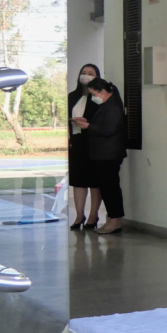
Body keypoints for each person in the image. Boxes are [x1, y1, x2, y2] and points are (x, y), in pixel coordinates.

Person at [73, 78, 127, 235]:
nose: (93, 97)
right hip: (102, 154)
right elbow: (102, 125)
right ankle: (111, 219)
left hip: (109, 155)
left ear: (102, 92)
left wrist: (88, 126)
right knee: (106, 188)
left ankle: (115, 220)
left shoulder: (113, 106)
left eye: (94, 94)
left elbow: (108, 130)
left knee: (111, 188)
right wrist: (87, 122)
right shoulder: (105, 105)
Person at [68, 63, 103, 231]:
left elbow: (102, 120)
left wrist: (87, 123)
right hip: (77, 141)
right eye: (84, 72)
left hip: (94, 141)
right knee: (78, 180)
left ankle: (93, 216)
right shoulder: (72, 96)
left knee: (95, 181)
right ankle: (79, 215)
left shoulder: (99, 96)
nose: (86, 75)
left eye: (91, 73)